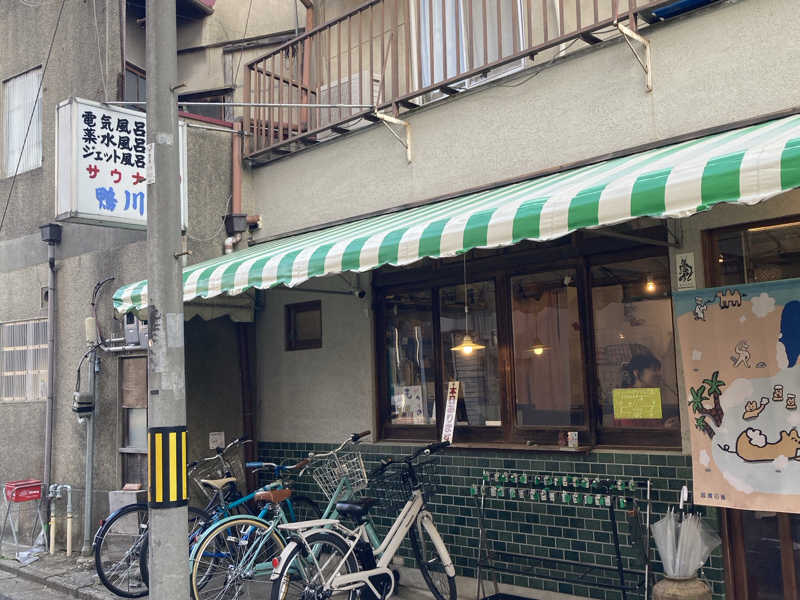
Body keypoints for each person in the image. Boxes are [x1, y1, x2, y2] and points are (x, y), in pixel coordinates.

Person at [618, 353, 678, 428]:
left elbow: (653, 426)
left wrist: (665, 426)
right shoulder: (627, 397)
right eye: (654, 369)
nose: (659, 374)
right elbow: (632, 432)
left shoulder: (649, 395)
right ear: (636, 373)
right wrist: (664, 428)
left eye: (659, 370)